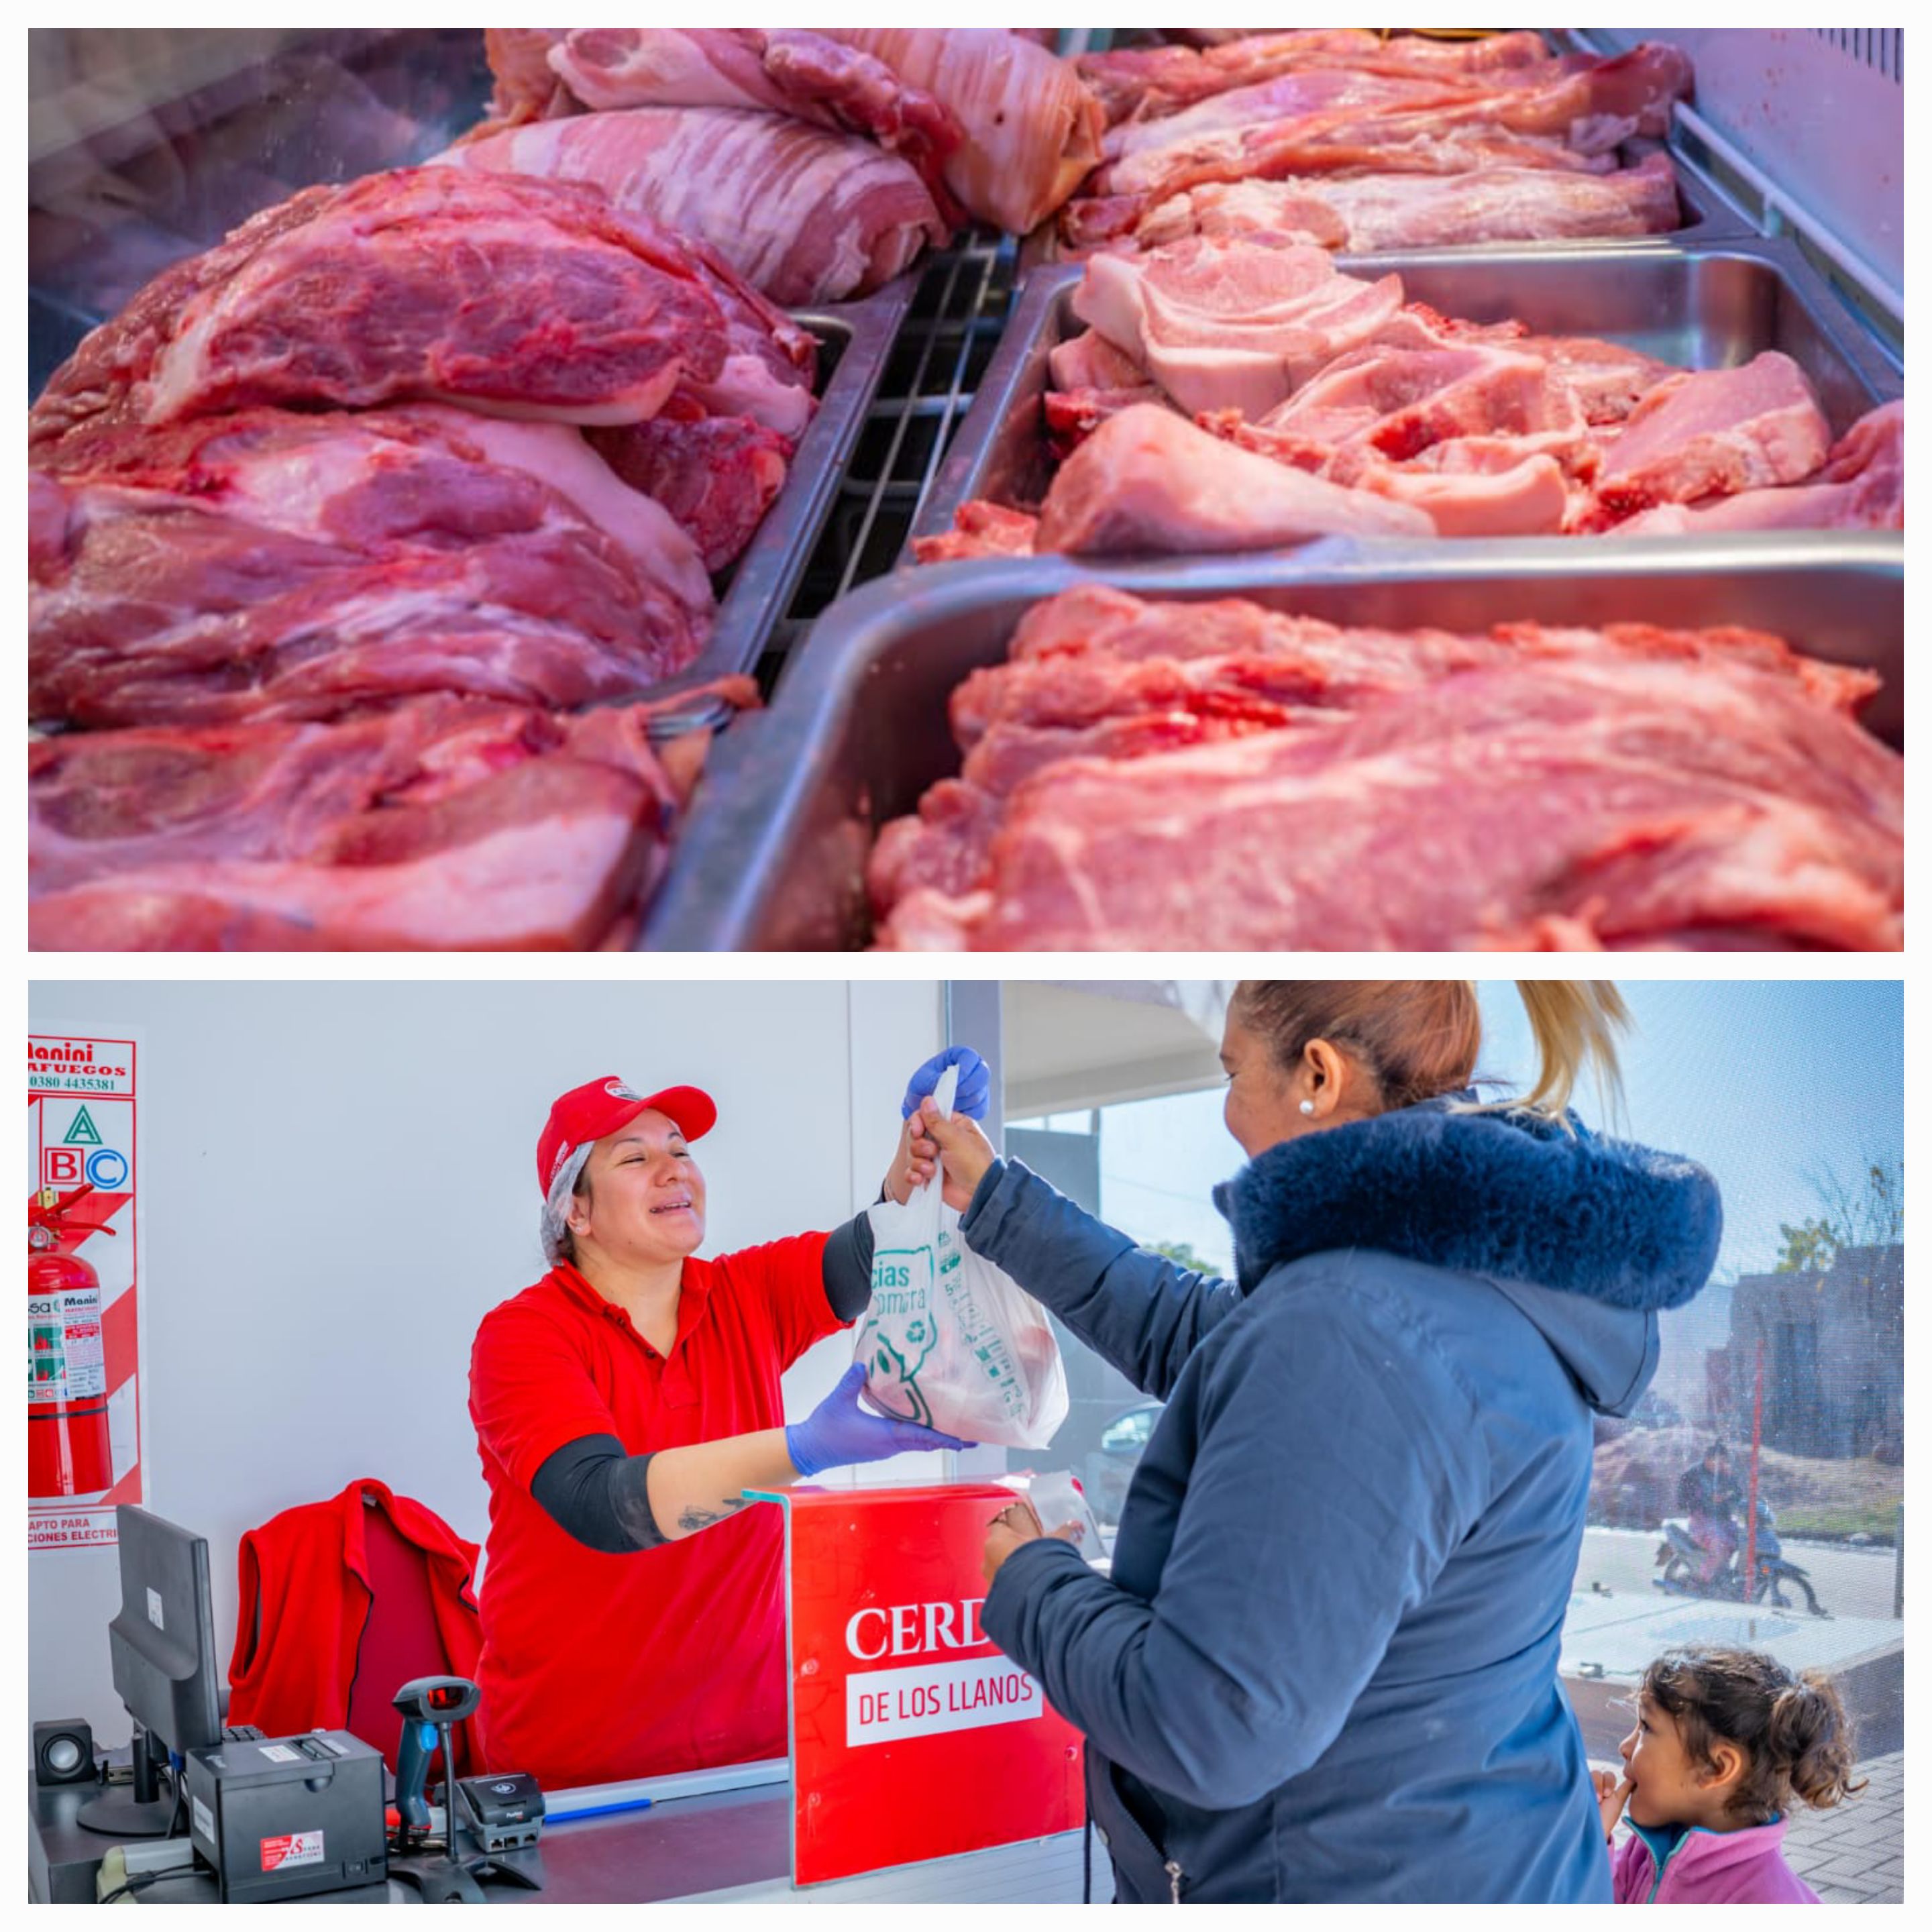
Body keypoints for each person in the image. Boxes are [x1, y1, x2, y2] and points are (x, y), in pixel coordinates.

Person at [905, 981, 1722, 1904]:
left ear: (1319, 1076)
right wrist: (1002, 1201)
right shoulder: (1453, 1275)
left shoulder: (1353, 1320)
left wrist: (1033, 1579)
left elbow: (1208, 1724)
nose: (1226, 1111)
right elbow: (1209, 1337)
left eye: (1232, 1072)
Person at [467, 1051, 988, 1790]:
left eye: (681, 1150)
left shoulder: (745, 1294)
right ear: (573, 1211)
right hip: (577, 1771)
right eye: (636, 1157)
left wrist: (920, 1158)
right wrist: (803, 1449)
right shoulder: (524, 1337)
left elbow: (878, 1245)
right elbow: (604, 1508)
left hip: (756, 1755)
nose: (676, 1169)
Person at [1592, 1647, 1864, 1902]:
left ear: (1716, 1767)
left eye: (1646, 1727)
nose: (1625, 1747)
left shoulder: (1769, 1901)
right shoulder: (1645, 1853)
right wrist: (1589, 1841)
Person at [1676, 1442, 1744, 1587]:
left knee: (1742, 1541)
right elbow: (1681, 1502)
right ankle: (1701, 1581)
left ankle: (1723, 1574)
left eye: (1725, 1461)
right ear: (1707, 1459)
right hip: (1701, 1523)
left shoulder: (1726, 1474)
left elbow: (1738, 1494)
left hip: (1723, 1521)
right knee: (1719, 1546)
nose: (1722, 1465)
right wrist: (1705, 1501)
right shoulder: (1691, 1475)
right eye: (1718, 1461)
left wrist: (1727, 1497)